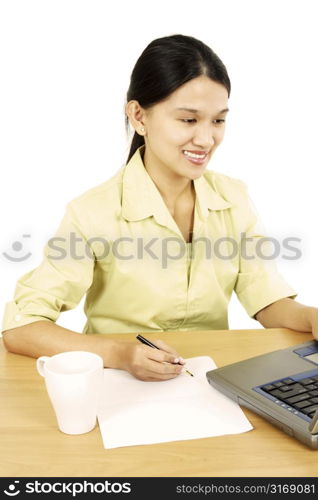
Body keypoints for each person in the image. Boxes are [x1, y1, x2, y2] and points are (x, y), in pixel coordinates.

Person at [2, 34, 318, 382]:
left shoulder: (233, 199)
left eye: (218, 120)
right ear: (139, 116)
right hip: (118, 384)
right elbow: (22, 327)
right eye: (188, 120)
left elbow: (267, 302)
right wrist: (117, 354)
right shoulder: (92, 212)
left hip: (208, 382)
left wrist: (311, 317)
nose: (206, 139)